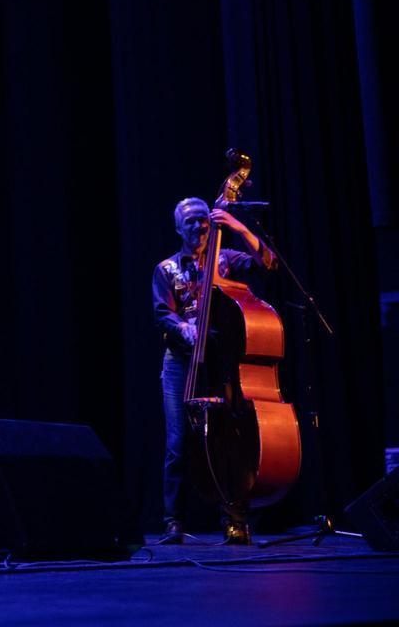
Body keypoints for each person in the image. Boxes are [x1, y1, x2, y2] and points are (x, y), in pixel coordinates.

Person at [152, 197, 277, 545]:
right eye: (190, 221)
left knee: (228, 441)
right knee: (178, 442)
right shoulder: (166, 269)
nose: (198, 226)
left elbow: (267, 262)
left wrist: (238, 227)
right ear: (178, 228)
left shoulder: (226, 260)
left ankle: (234, 517)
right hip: (181, 363)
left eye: (204, 220)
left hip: (222, 362)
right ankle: (172, 520)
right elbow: (163, 313)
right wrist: (184, 328)